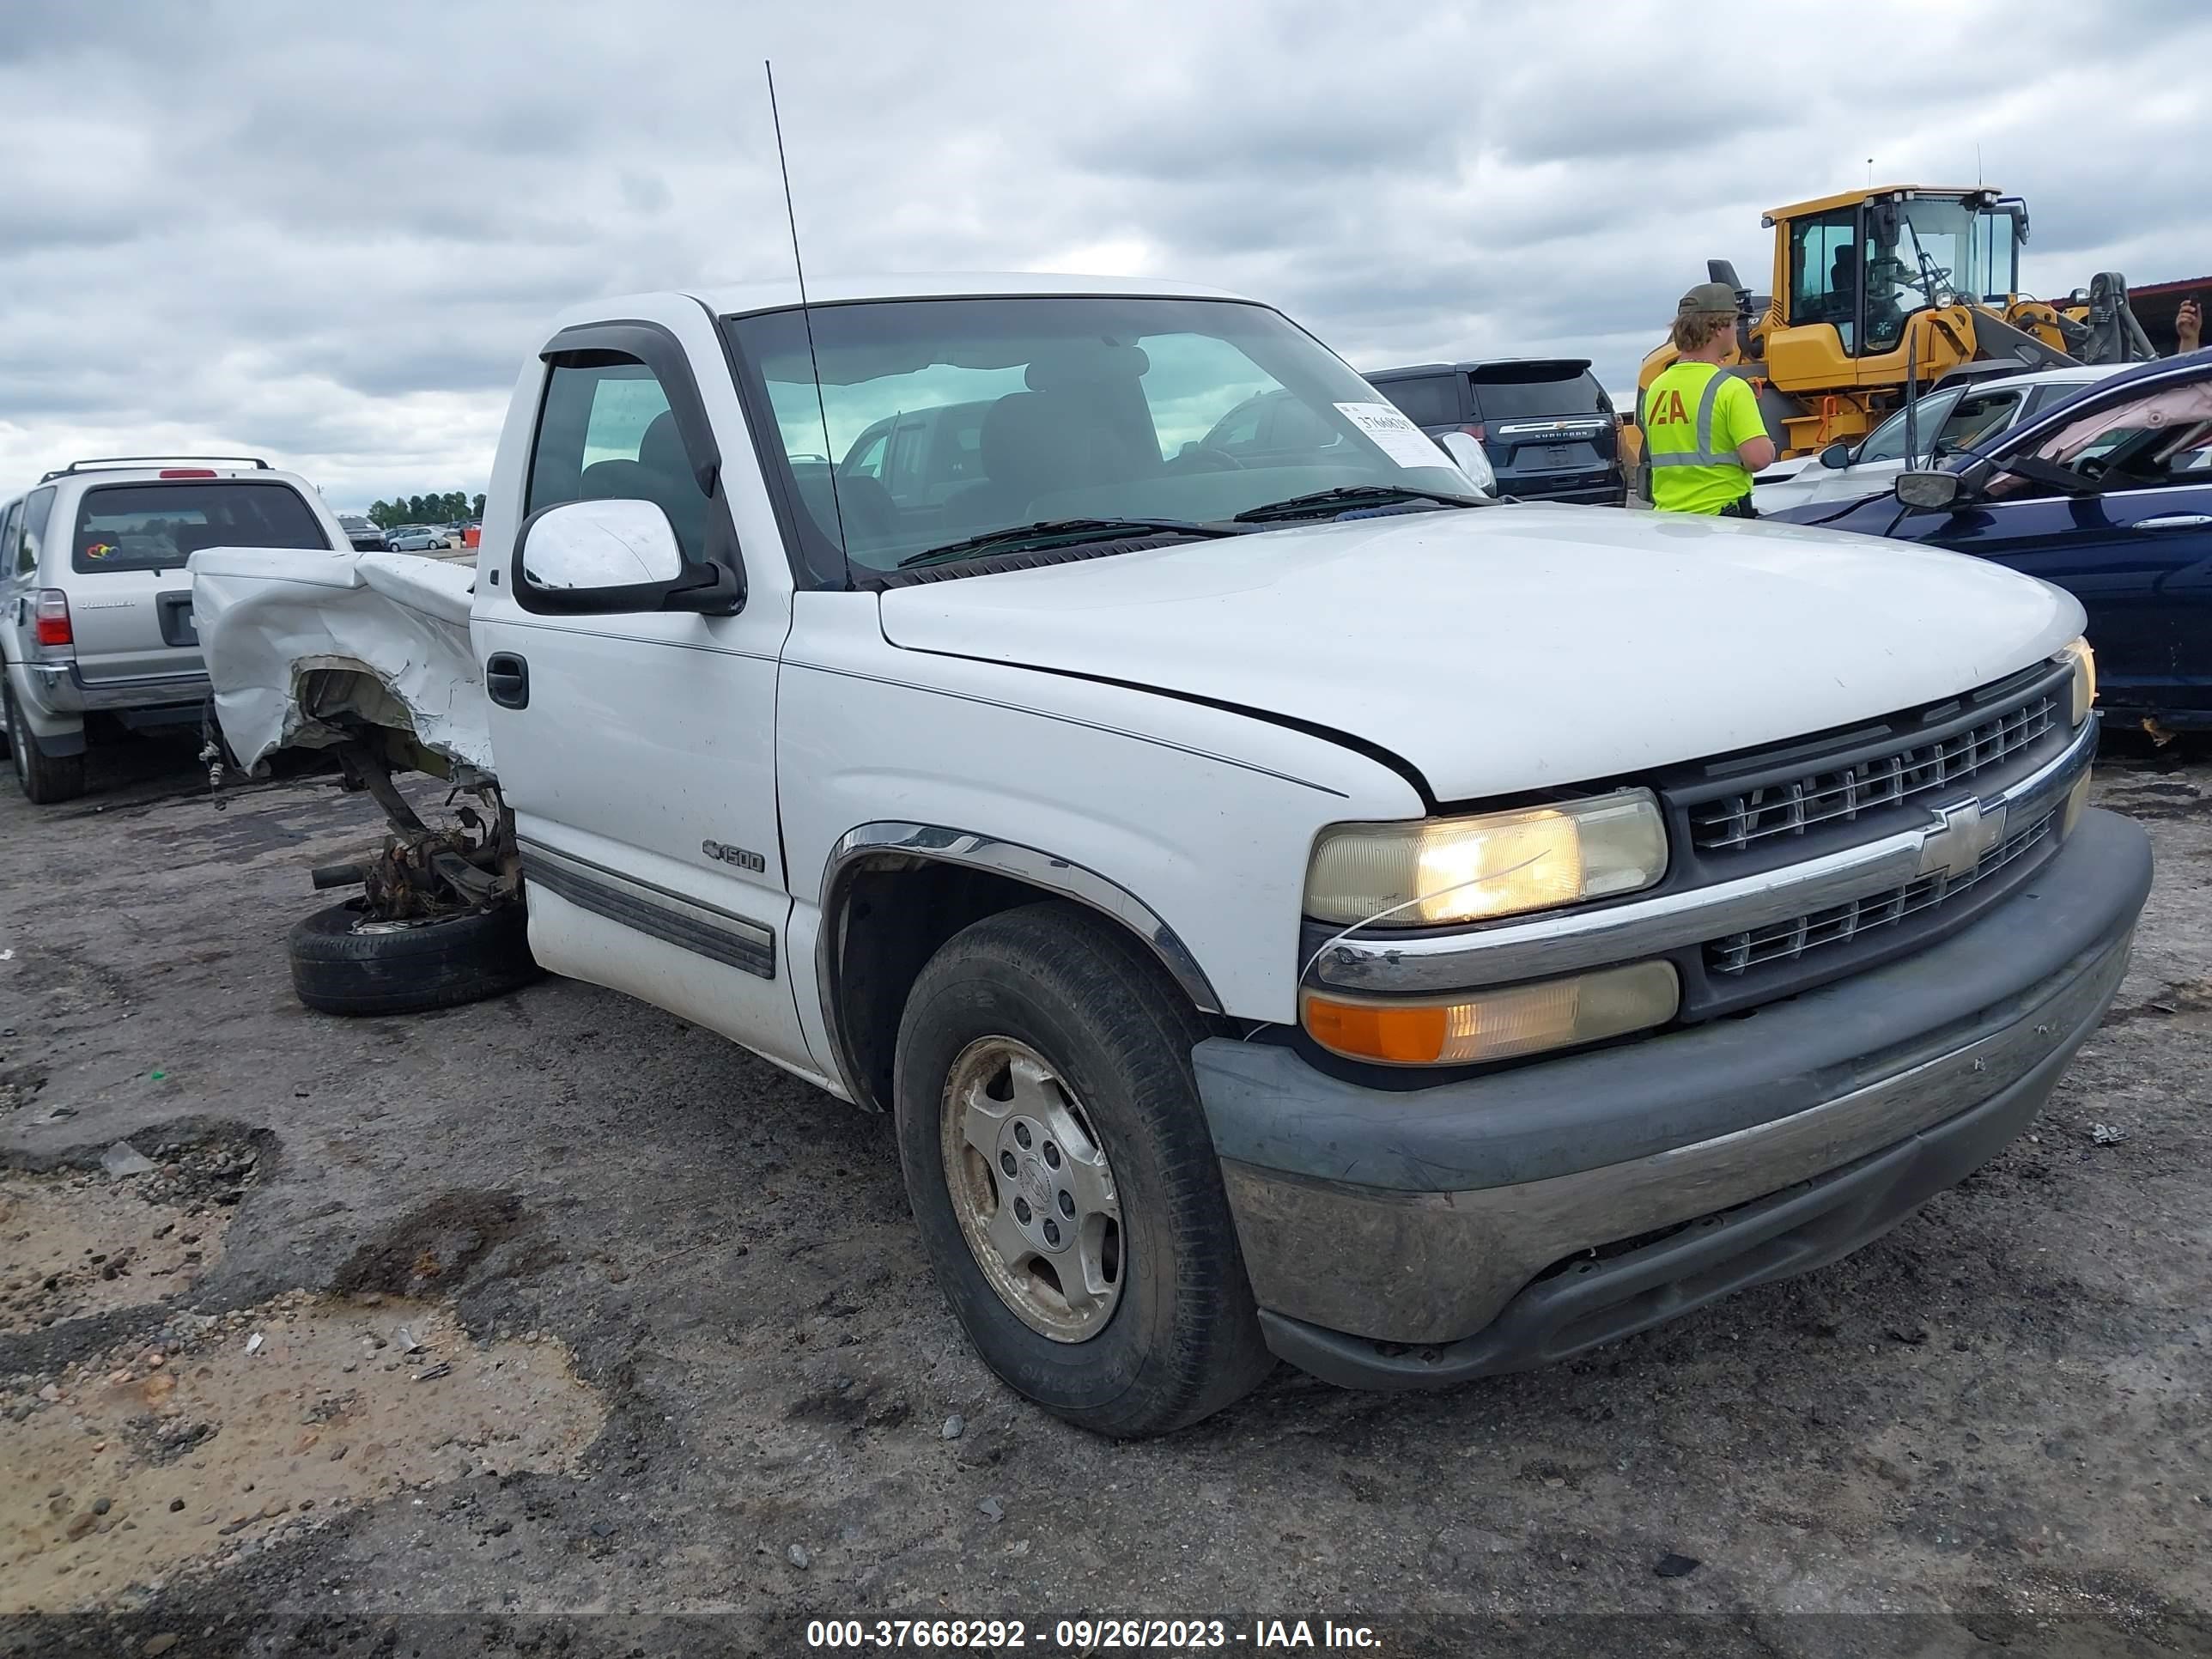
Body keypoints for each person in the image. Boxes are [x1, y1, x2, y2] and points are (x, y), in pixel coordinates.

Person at [1641, 282, 1778, 516]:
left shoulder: (1655, 389)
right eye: (1734, 323)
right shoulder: (1729, 389)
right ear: (1718, 329)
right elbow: (1758, 458)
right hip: (1720, 520)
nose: (1736, 331)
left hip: (1668, 518)